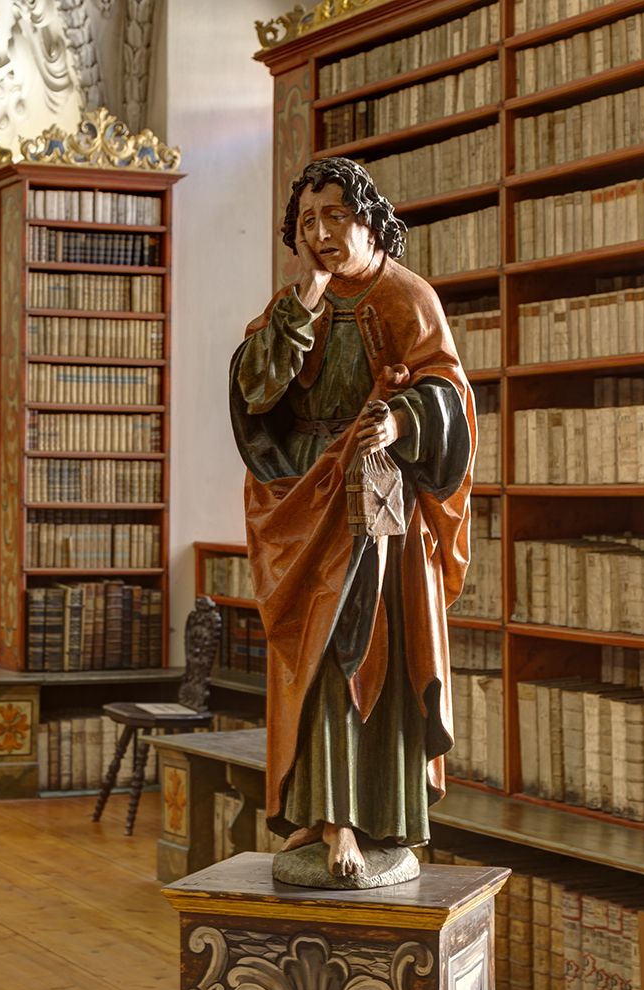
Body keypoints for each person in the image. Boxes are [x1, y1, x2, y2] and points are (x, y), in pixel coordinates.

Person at [229, 157, 475, 881]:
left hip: (374, 503)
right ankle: (315, 808)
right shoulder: (293, 302)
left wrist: (401, 420)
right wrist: (301, 310)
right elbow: (253, 390)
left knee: (356, 655)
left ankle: (359, 822)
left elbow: (449, 393)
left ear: (370, 220)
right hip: (303, 499)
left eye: (335, 216)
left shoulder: (407, 295)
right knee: (305, 658)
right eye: (307, 222)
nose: (321, 233)